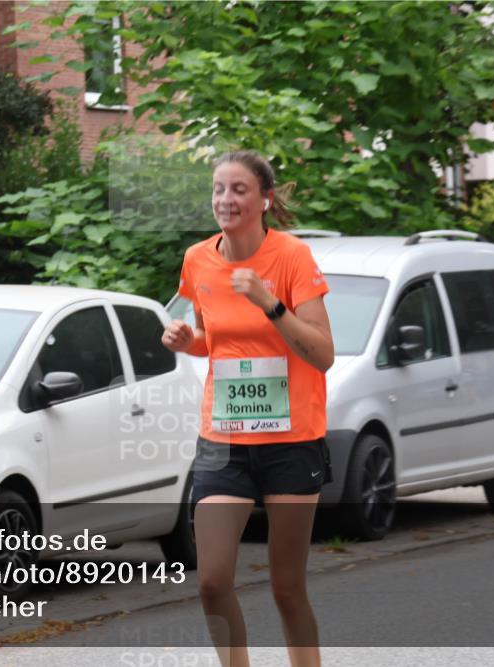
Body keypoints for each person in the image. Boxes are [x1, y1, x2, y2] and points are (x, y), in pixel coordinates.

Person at [161, 150, 335, 667]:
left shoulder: (292, 258)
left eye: (238, 189)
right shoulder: (198, 260)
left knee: (286, 587)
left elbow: (323, 354)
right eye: (219, 189)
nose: (225, 199)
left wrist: (269, 303)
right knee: (212, 582)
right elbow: (214, 340)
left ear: (264, 199)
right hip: (224, 441)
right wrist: (185, 339)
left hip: (291, 441)